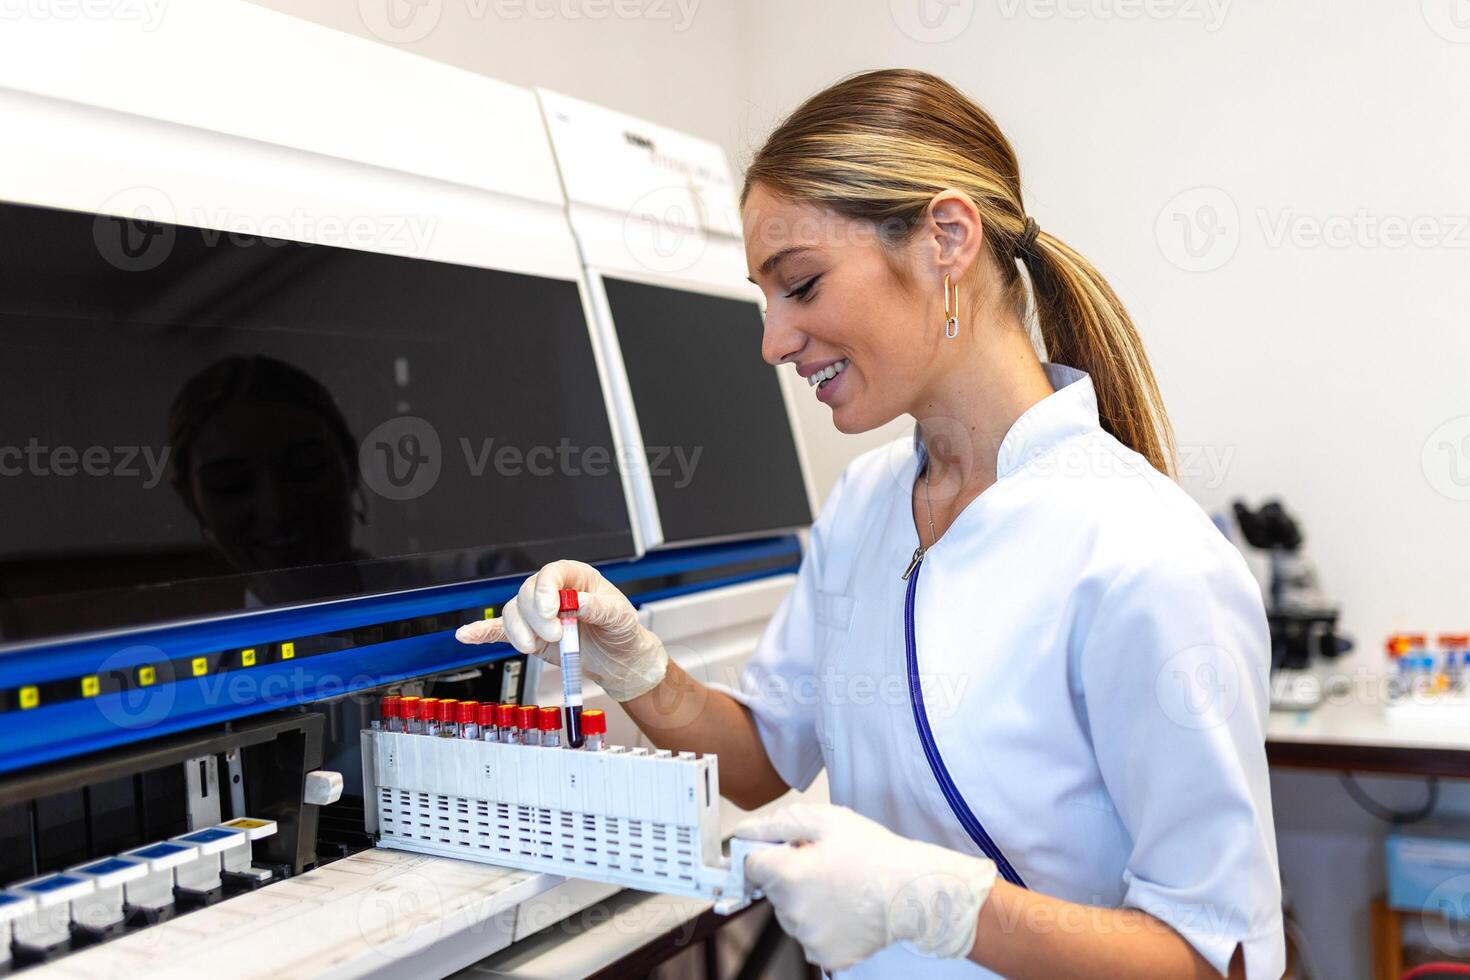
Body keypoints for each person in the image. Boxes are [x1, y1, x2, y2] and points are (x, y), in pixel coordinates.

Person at [458, 69, 1283, 978]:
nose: (773, 340)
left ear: (946, 239)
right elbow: (765, 758)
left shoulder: (1142, 555)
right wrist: (637, 667)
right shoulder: (865, 507)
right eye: (766, 299)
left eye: (800, 285)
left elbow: (1216, 958)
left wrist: (945, 910)